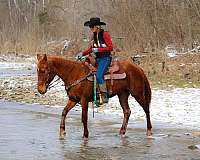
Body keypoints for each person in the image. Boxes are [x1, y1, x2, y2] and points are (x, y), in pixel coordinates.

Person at [76, 17, 113, 104]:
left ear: (97, 26)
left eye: (92, 27)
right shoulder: (93, 36)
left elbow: (110, 47)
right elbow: (91, 49)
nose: (91, 29)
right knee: (87, 72)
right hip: (97, 59)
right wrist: (82, 53)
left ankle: (104, 95)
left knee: (99, 75)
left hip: (105, 58)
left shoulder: (105, 34)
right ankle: (93, 94)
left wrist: (98, 50)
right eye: (90, 27)